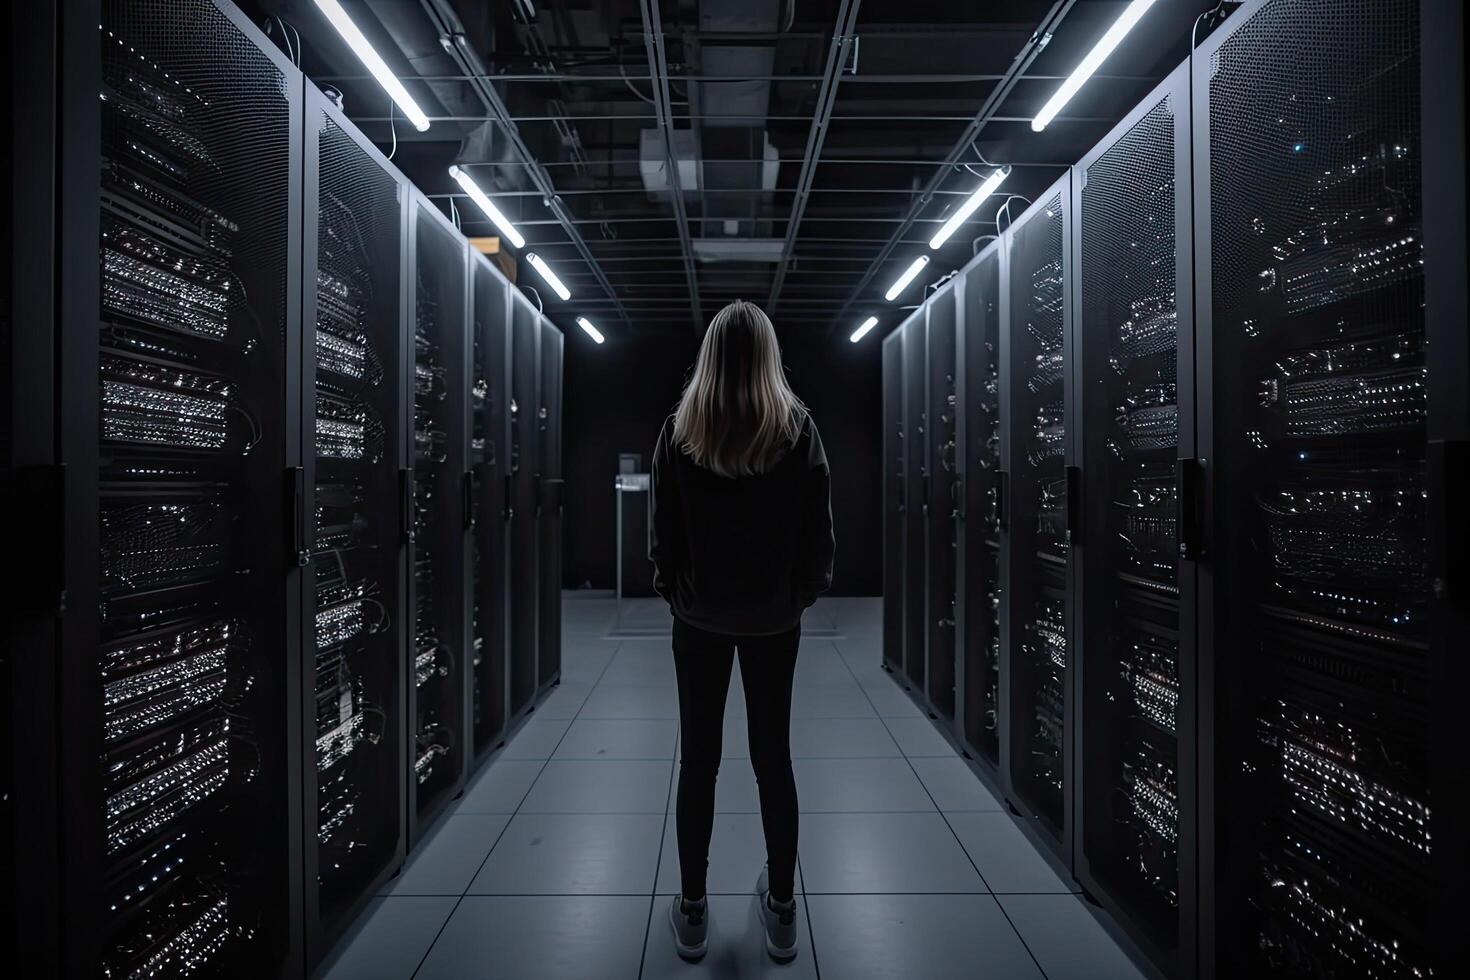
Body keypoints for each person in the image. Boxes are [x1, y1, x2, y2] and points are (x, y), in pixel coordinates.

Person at [650, 299, 835, 962]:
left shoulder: (681, 429)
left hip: (699, 619)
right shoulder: (797, 428)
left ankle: (693, 910)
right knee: (772, 758)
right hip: (772, 619)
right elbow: (820, 533)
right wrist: (797, 598)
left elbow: (661, 534)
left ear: (710, 357)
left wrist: (678, 593)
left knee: (698, 761)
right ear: (767, 356)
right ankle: (782, 911)